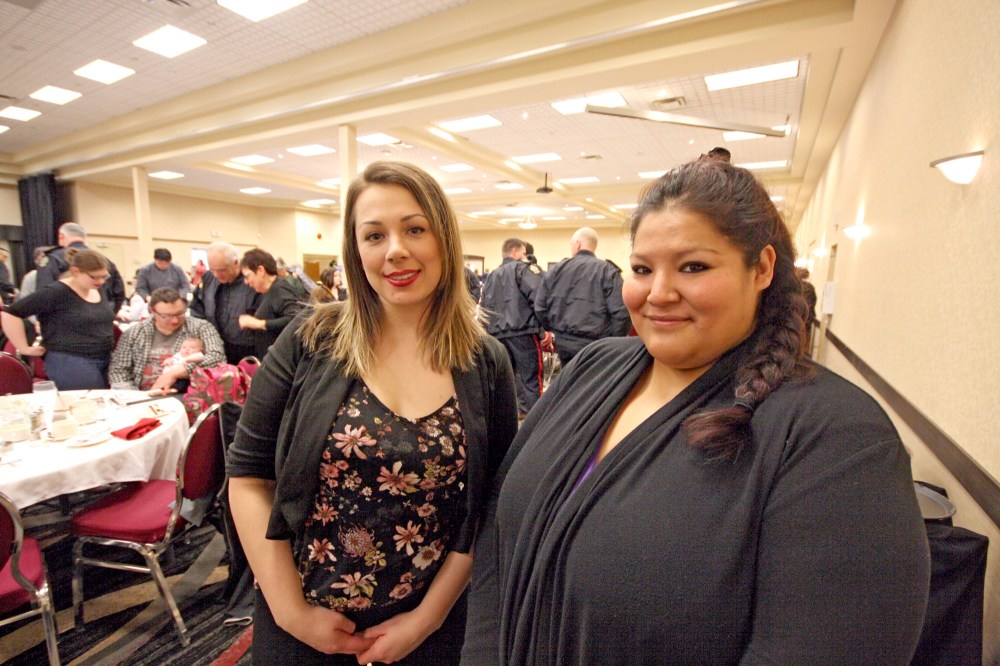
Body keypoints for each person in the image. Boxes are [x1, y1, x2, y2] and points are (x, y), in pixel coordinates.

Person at [464, 158, 930, 665]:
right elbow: (498, 533)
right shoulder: (596, 366)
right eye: (642, 269)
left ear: (763, 269)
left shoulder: (833, 433)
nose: (658, 293)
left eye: (693, 267)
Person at [227, 161, 518, 665]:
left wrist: (427, 618)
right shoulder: (312, 339)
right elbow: (249, 476)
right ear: (355, 249)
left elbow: (490, 506)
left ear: (443, 239)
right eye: (374, 235)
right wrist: (291, 611)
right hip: (302, 620)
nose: (395, 250)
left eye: (415, 229)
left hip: (430, 626)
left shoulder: (484, 359)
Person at [2, 248, 116, 389]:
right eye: (94, 277)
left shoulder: (96, 288)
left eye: (104, 276)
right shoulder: (56, 292)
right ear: (75, 271)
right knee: (88, 404)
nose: (101, 281)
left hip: (103, 357)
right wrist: (23, 348)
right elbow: (10, 313)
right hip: (70, 361)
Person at [533, 226, 630, 366]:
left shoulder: (557, 270)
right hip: (597, 345)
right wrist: (611, 339)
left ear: (577, 244)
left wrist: (554, 329)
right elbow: (622, 312)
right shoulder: (608, 271)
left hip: (564, 343)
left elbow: (540, 307)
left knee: (569, 383)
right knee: (596, 384)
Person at [108, 287, 225, 392]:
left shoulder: (201, 327)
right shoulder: (134, 333)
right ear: (152, 311)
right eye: (167, 316)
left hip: (185, 395)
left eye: (180, 313)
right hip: (139, 395)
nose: (175, 320)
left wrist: (175, 373)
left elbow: (218, 358)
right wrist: (133, 397)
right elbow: (118, 370)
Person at [480, 238, 544, 414]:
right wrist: (544, 328)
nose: (526, 257)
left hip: (497, 336)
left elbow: (483, 308)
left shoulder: (492, 275)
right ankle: (536, 423)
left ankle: (513, 421)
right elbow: (538, 298)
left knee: (505, 382)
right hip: (523, 332)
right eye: (524, 254)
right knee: (531, 381)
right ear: (515, 252)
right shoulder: (522, 270)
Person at [190, 242, 262, 365]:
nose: (217, 275)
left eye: (222, 270)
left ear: (236, 263)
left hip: (247, 349)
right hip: (215, 346)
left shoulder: (252, 281)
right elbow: (197, 307)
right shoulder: (208, 278)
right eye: (212, 270)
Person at [36, 222, 126, 312]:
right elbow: (119, 293)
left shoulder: (53, 259)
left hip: (66, 319)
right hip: (102, 317)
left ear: (61, 236)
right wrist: (109, 314)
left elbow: (44, 293)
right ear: (84, 237)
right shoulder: (103, 260)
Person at [238, 248, 307, 360]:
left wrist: (259, 324)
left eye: (247, 276)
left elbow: (295, 319)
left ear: (260, 270)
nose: (246, 281)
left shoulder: (279, 289)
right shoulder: (270, 291)